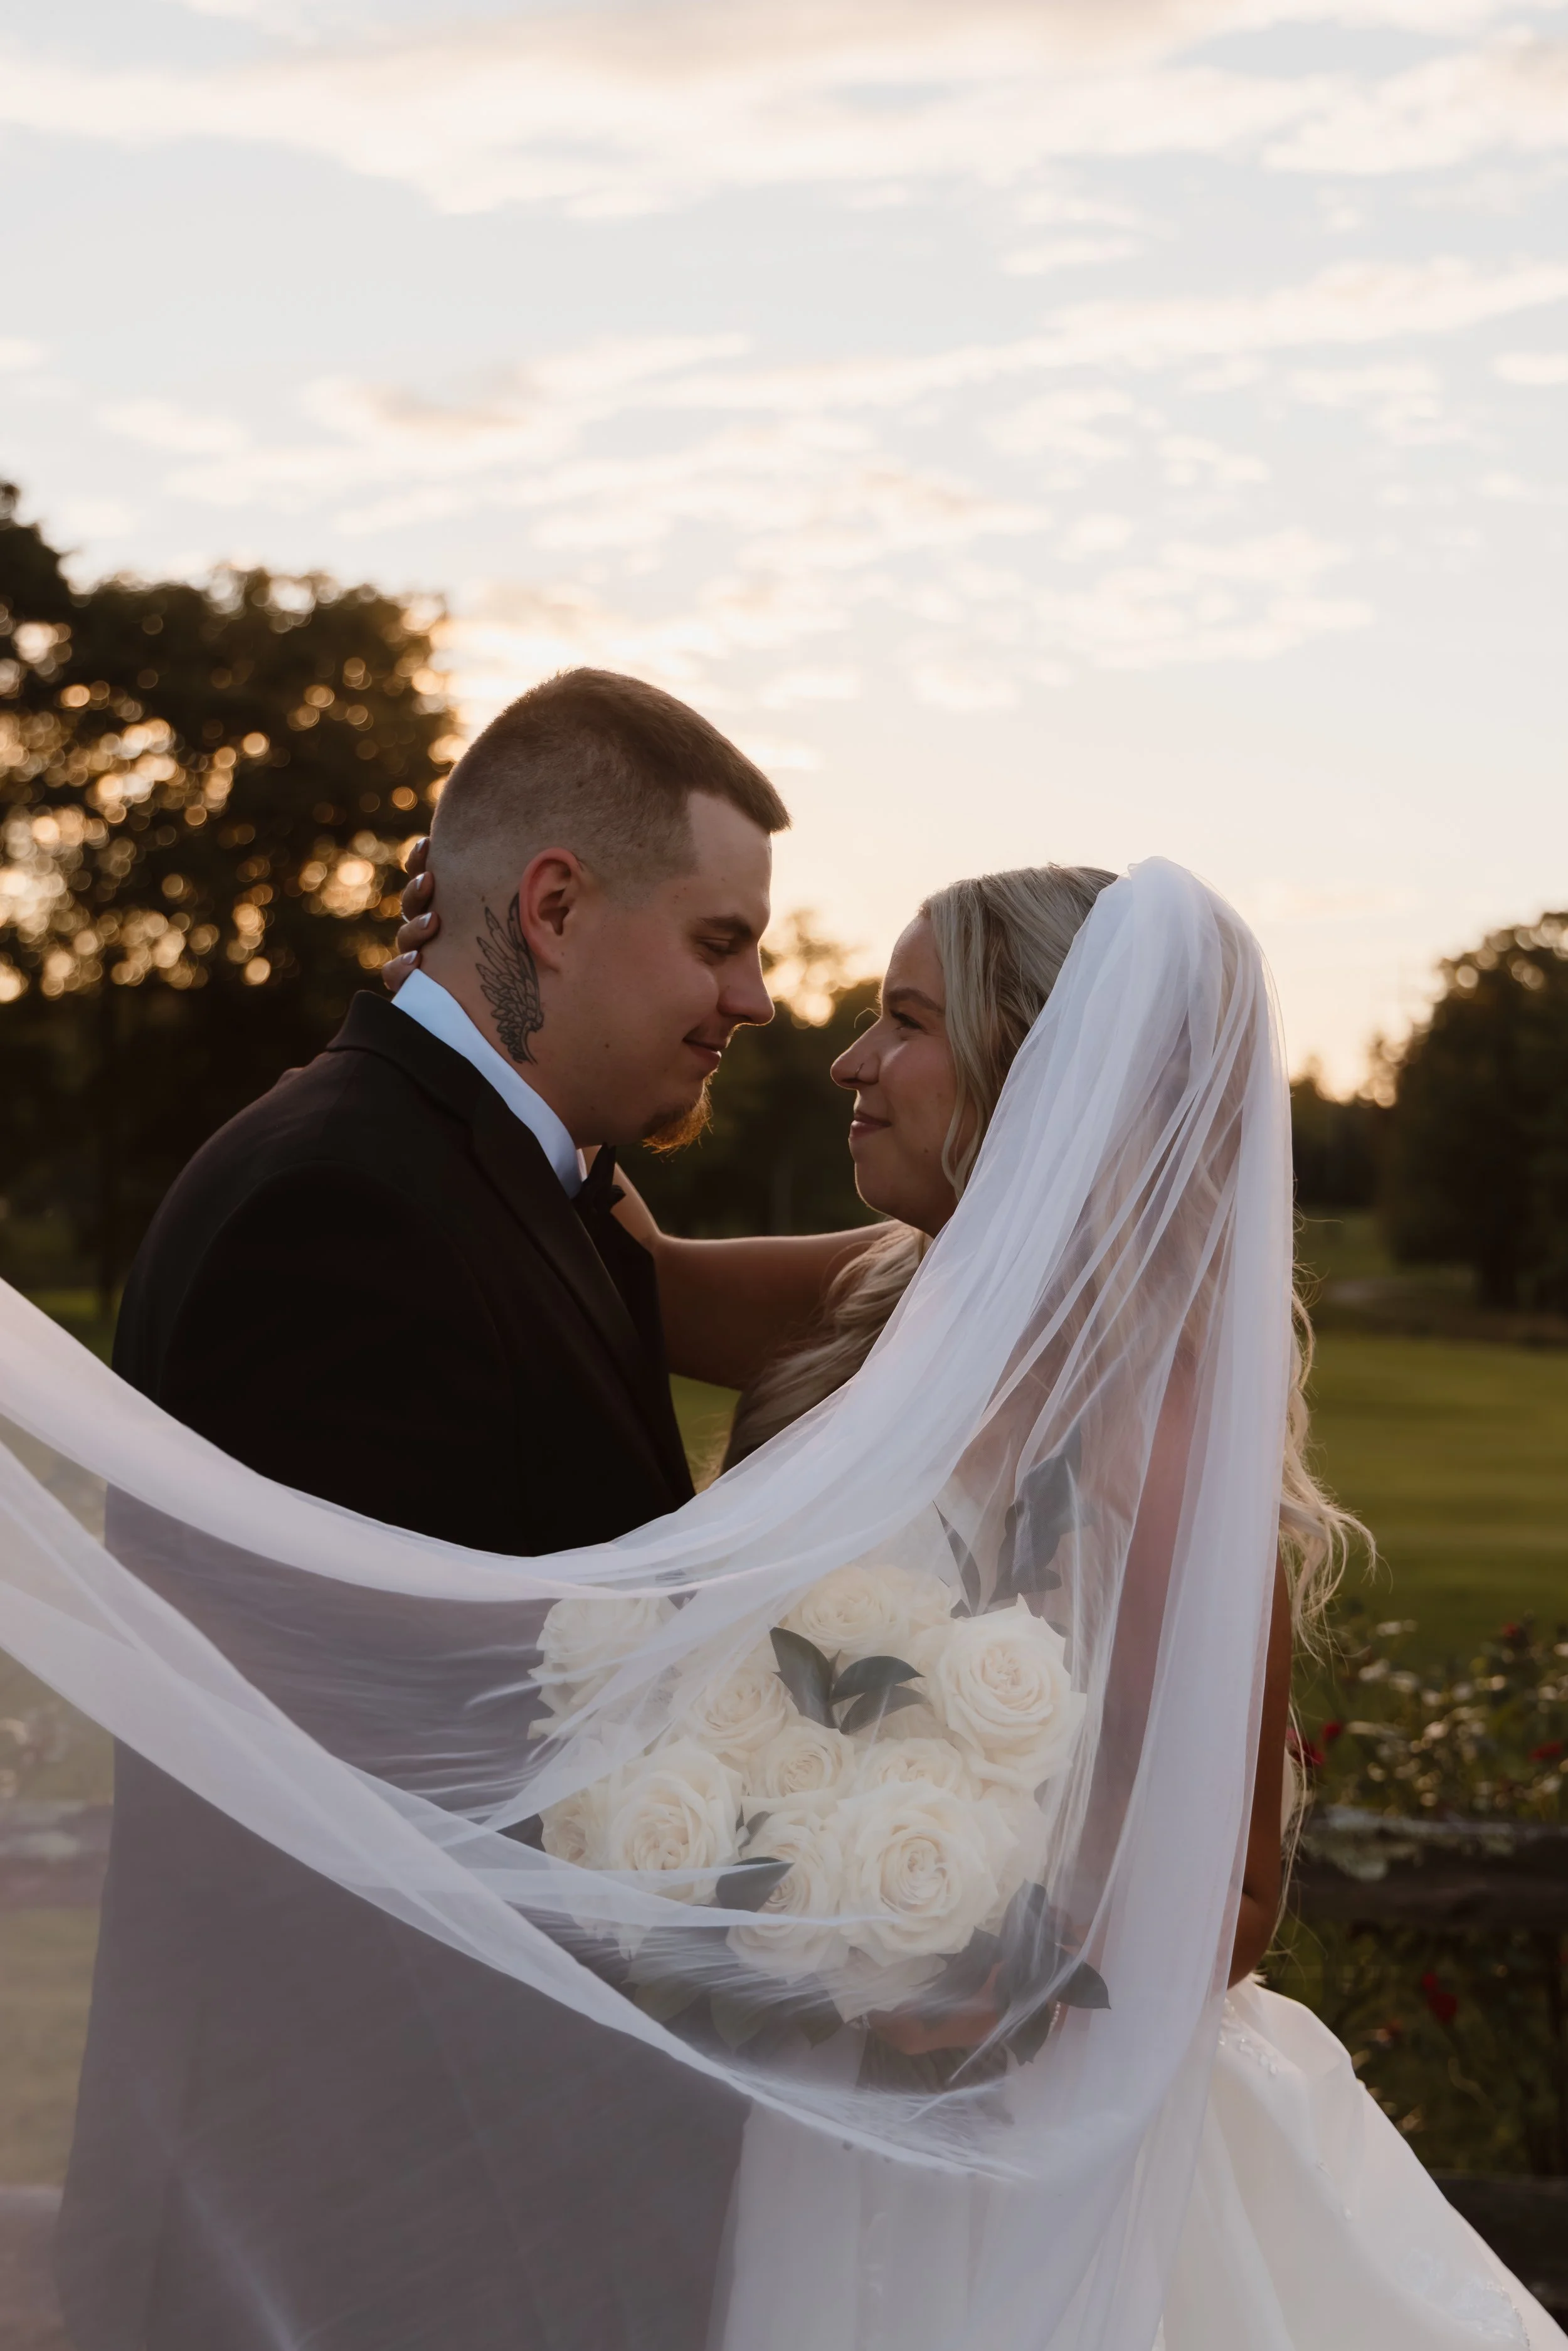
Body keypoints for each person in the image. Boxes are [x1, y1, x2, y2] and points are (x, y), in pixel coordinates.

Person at [388, 851, 1566, 2350]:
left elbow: (1237, 1884)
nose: (848, 1059)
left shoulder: (1161, 1423)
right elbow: (641, 1277)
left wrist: (959, 1981)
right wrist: (491, 1005)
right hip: (823, 2108)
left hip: (1028, 2144)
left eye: (902, 1020)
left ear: (1032, 1068)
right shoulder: (890, 1289)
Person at [55, 668, 798, 2351]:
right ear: (553, 904)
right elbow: (398, 1786)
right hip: (368, 2225)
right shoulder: (342, 1206)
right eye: (719, 939)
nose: (757, 996)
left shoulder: (510, 1173)